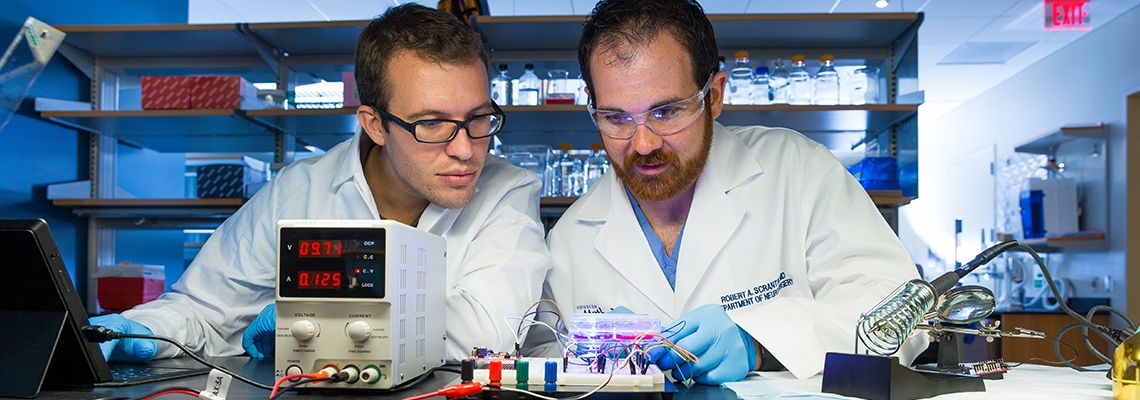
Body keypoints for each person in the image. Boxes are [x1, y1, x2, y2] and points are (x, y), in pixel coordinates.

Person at [90, 4, 549, 363]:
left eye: (478, 118)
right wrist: (140, 329)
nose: (466, 149)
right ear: (374, 124)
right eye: (431, 123)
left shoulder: (507, 190)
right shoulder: (299, 189)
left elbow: (487, 334)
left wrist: (312, 318)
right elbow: (205, 309)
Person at [540, 0, 926, 384]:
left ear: (714, 96)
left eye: (666, 112)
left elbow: (900, 314)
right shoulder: (569, 239)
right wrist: (588, 355)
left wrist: (759, 342)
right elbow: (540, 357)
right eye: (616, 118)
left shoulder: (798, 171)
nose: (643, 144)